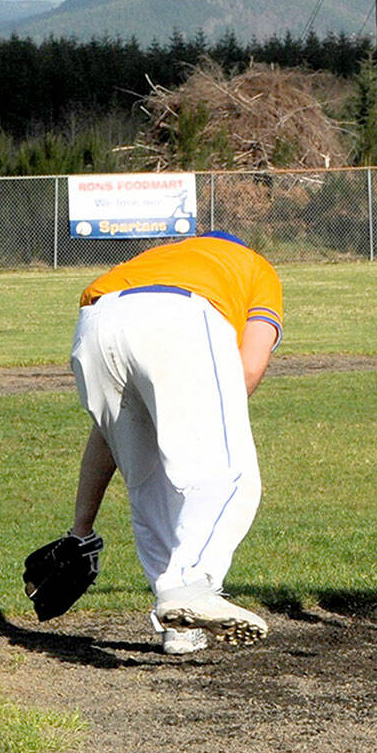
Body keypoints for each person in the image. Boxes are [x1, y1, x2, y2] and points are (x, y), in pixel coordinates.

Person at [66, 230, 282, 654]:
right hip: (177, 318)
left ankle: (180, 627)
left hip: (94, 325)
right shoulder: (256, 267)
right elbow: (251, 366)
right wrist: (213, 419)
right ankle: (194, 586)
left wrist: (81, 528)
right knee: (232, 476)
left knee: (150, 486)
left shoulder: (160, 257)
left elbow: (105, 438)